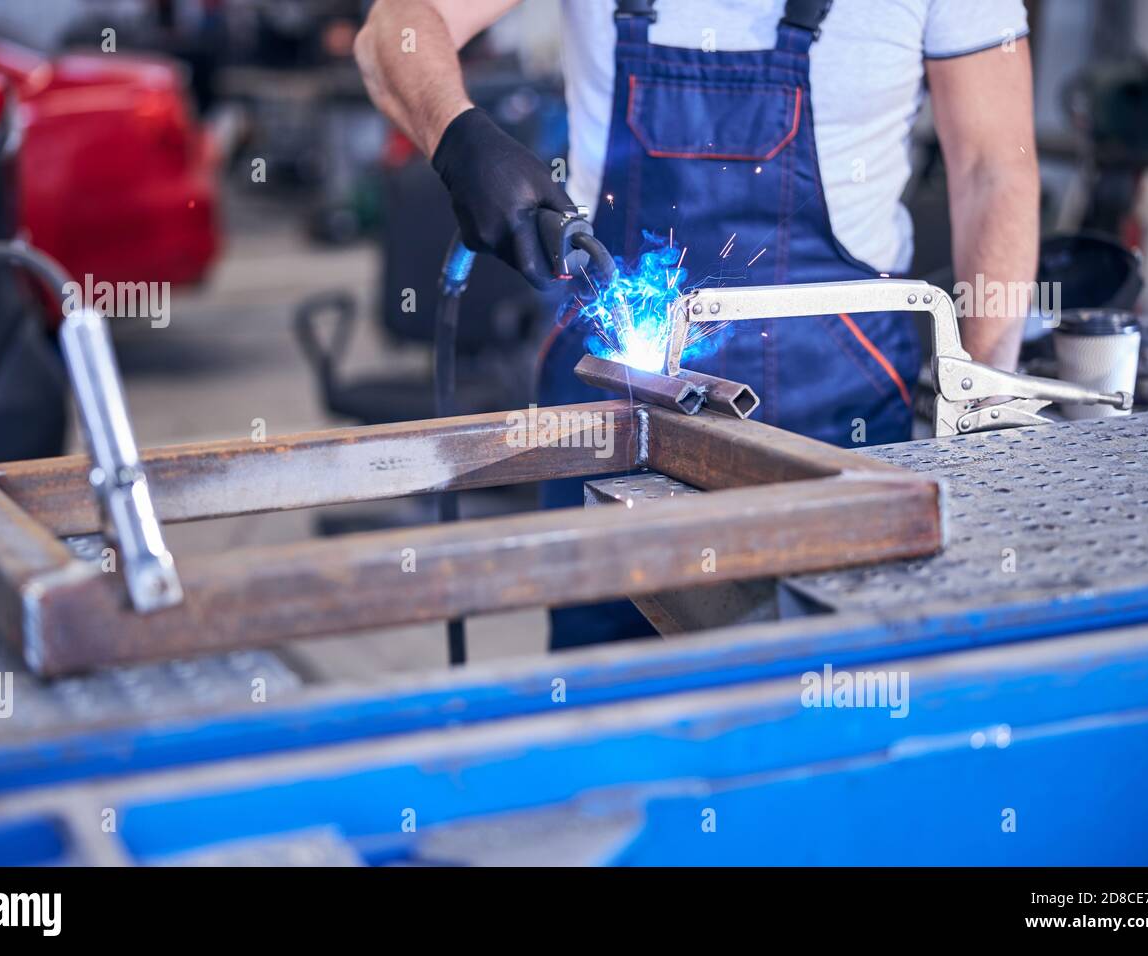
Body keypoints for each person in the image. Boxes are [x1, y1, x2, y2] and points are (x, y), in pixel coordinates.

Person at [356, 0, 1039, 647]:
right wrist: (459, 137)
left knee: (830, 696)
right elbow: (394, 29)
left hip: (842, 416)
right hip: (609, 417)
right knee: (610, 708)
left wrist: (982, 414)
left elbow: (992, 171)